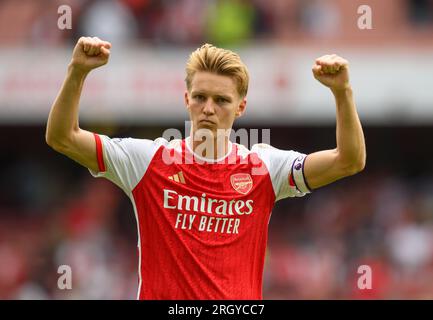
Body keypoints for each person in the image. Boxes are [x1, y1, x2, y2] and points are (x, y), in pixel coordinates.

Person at [46, 36, 366, 299]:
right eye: (200, 97)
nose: (209, 109)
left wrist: (342, 92)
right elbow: (63, 137)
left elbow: (348, 161)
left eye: (221, 100)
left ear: (241, 106)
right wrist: (77, 71)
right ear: (186, 99)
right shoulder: (146, 161)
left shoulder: (265, 168)